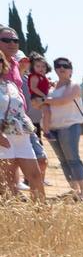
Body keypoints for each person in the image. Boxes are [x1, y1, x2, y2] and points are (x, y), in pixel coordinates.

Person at [42, 57, 83, 200]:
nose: (61, 68)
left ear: (71, 70)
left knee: (73, 159)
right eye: (58, 66)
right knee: (63, 161)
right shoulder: (51, 88)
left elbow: (63, 101)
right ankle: (74, 191)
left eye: (65, 66)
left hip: (70, 126)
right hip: (53, 128)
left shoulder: (74, 86)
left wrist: (44, 100)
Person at [0, 73, 43, 203]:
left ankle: (41, 217)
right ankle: (12, 219)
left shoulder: (11, 85)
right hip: (3, 136)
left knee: (35, 176)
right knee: (8, 182)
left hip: (21, 135)